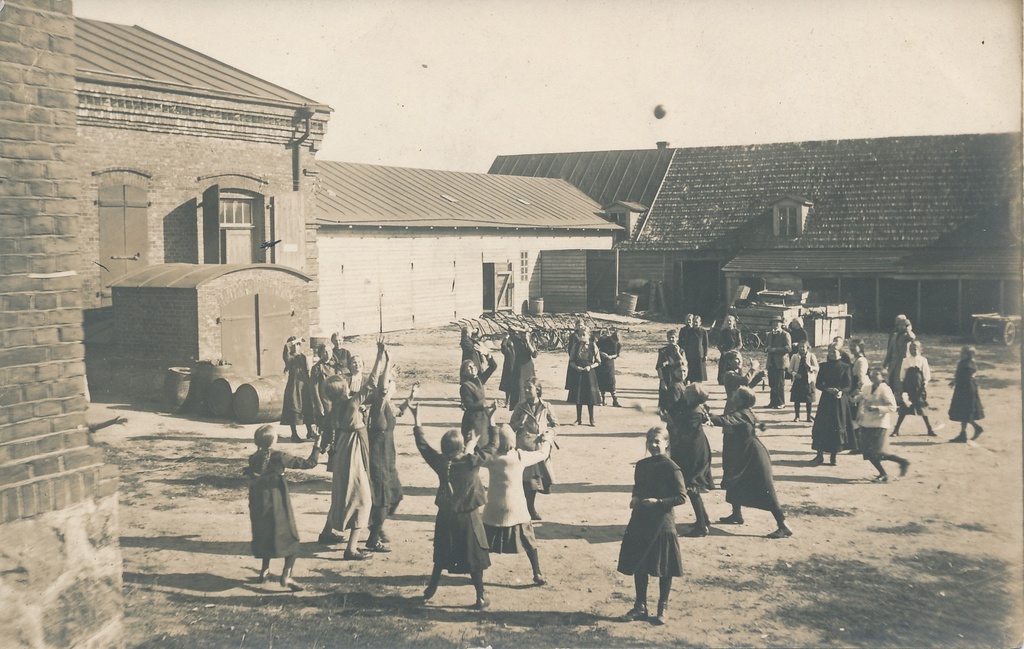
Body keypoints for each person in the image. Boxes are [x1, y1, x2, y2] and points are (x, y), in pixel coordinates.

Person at [411, 403, 493, 610]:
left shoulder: (441, 462)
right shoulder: (471, 462)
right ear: (461, 448)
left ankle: (431, 589)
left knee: (442, 553)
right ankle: (480, 596)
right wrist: (490, 423)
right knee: (474, 557)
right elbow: (492, 447)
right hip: (469, 517)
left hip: (446, 516)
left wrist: (417, 420)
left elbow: (423, 447)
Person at [318, 340, 386, 559]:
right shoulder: (351, 404)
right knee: (362, 498)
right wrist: (379, 356)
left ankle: (327, 533)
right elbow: (372, 383)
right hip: (353, 454)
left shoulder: (336, 407)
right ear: (343, 390)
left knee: (341, 494)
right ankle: (351, 548)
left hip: (341, 452)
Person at [617, 426, 686, 626]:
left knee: (665, 565)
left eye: (657, 441)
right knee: (639, 562)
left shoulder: (672, 467)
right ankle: (640, 605)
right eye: (650, 441)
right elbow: (638, 486)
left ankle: (662, 607)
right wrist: (635, 498)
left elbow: (681, 497)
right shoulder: (641, 465)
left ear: (666, 443)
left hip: (662, 522)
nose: (654, 445)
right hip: (640, 518)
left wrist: (659, 502)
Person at [708, 387, 792, 539]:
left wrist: (705, 415)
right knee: (736, 481)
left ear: (740, 400)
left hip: (753, 456)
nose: (733, 394)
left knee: (766, 489)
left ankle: (783, 525)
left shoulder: (740, 414)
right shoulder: (747, 411)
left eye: (736, 394)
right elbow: (761, 425)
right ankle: (736, 515)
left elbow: (723, 420)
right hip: (747, 452)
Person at [245, 424, 321, 591]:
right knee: (291, 539)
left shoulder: (253, 458)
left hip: (259, 504)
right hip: (278, 504)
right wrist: (317, 445)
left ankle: (264, 571)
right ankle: (286, 575)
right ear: (274, 440)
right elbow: (309, 463)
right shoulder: (279, 457)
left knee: (266, 536)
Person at [482, 423, 552, 586]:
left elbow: (478, 453)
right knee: (529, 541)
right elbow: (543, 453)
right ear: (513, 441)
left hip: (493, 509)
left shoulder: (491, 459)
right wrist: (548, 439)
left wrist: (490, 427)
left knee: (482, 542)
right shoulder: (520, 457)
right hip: (517, 509)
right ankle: (537, 572)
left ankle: (478, 575)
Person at [364, 350, 411, 552]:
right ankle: (374, 537)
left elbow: (399, 411)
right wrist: (387, 362)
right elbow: (381, 388)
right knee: (382, 500)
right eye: (392, 386)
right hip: (378, 460)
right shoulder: (378, 406)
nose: (394, 389)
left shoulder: (389, 407)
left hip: (388, 458)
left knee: (396, 495)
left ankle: (375, 523)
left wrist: (411, 398)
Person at [662, 383, 714, 537]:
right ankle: (703, 518)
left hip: (693, 452)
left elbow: (683, 435)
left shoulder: (694, 413)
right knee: (692, 486)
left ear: (691, 397)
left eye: (687, 392)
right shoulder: (688, 404)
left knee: (692, 487)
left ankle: (702, 527)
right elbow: (673, 409)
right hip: (690, 449)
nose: (683, 392)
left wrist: (670, 422)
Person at [510, 378, 559, 521]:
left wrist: (549, 433)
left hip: (540, 448)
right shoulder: (520, 407)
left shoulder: (546, 406)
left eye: (529, 388)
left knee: (537, 480)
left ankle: (530, 507)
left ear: (537, 390)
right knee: (526, 481)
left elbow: (556, 425)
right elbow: (510, 426)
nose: (525, 391)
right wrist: (520, 423)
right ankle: (528, 508)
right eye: (524, 388)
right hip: (524, 447)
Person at [852, 367, 910, 482]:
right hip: (866, 422)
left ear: (883, 377)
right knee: (866, 451)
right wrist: (854, 396)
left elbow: (892, 407)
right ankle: (887, 471)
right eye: (872, 374)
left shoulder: (885, 389)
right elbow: (860, 398)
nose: (873, 377)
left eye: (876, 375)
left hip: (879, 424)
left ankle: (899, 464)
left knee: (877, 452)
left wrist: (877, 408)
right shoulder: (867, 387)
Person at [811, 344, 853, 466]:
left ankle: (833, 457)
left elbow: (848, 385)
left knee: (836, 426)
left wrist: (841, 391)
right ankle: (819, 455)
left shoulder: (845, 367)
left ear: (840, 354)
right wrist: (827, 389)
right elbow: (818, 384)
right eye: (830, 352)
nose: (831, 354)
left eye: (834, 352)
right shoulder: (823, 366)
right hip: (826, 400)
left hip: (839, 401)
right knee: (822, 425)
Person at [892, 340, 936, 437]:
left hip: (919, 387)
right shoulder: (906, 361)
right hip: (908, 387)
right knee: (904, 408)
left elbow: (926, 374)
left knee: (922, 408)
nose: (913, 350)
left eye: (915, 348)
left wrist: (924, 386)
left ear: (919, 349)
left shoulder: (923, 360)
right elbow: (902, 375)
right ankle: (896, 430)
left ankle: (930, 429)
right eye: (911, 349)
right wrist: (903, 388)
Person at [281, 336, 316, 442]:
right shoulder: (289, 357)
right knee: (294, 408)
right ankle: (294, 434)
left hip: (304, 386)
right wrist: (293, 342)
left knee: (307, 408)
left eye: (298, 345)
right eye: (294, 345)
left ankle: (309, 431)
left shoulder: (303, 357)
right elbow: (286, 348)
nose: (296, 347)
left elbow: (307, 371)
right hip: (294, 387)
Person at [460, 349, 498, 443]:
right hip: (472, 421)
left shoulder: (480, 380)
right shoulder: (465, 386)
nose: (473, 368)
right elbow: (468, 406)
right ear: (464, 372)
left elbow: (493, 367)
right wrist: (484, 405)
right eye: (469, 367)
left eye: (473, 366)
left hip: (484, 418)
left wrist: (487, 354)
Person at [948, 346, 985, 443]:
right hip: (962, 389)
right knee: (963, 413)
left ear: (968, 355)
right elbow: (959, 375)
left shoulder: (969, 364)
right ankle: (965, 433)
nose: (961, 355)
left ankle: (966, 432)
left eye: (963, 353)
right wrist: (954, 381)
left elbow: (967, 378)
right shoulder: (962, 363)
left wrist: (959, 385)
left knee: (965, 412)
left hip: (967, 391)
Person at [567, 327, 602, 426]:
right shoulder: (576, 346)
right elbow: (571, 361)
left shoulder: (593, 346)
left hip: (589, 373)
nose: (581, 337)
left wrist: (590, 367)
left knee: (590, 397)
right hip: (578, 373)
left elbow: (598, 362)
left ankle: (592, 419)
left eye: (584, 334)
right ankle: (578, 419)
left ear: (588, 335)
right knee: (579, 397)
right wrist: (576, 367)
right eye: (579, 335)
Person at [310, 343, 340, 450]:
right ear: (320, 354)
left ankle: (334, 448)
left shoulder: (335, 365)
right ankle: (325, 447)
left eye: (330, 351)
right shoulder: (317, 368)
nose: (328, 354)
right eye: (325, 352)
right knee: (327, 425)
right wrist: (319, 405)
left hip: (336, 399)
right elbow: (314, 388)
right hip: (325, 400)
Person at [500, 327, 538, 411]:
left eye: (525, 333)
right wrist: (519, 327)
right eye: (522, 333)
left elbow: (534, 354)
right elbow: (510, 330)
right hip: (519, 367)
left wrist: (528, 343)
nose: (524, 335)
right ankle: (518, 408)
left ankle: (530, 406)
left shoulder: (530, 341)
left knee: (531, 385)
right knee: (519, 388)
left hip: (528, 367)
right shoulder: (516, 340)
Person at [884, 315, 916, 408]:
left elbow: (913, 337)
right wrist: (885, 363)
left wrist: (909, 329)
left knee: (900, 382)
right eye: (899, 325)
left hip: (903, 363)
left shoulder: (907, 336)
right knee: (891, 380)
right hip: (894, 362)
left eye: (903, 325)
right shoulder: (894, 335)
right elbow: (890, 351)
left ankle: (902, 401)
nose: (900, 327)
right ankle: (893, 400)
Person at [764, 318, 792, 409]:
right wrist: (766, 348)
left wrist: (776, 349)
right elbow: (765, 346)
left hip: (780, 362)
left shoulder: (785, 334)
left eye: (777, 322)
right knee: (772, 383)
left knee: (779, 384)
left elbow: (788, 348)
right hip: (771, 362)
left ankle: (780, 402)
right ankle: (773, 402)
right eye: (773, 323)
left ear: (781, 324)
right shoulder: (769, 335)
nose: (775, 324)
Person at [656, 330, 687, 412]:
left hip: (679, 377)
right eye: (669, 338)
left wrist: (677, 353)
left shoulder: (681, 351)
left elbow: (684, 363)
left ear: (677, 338)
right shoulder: (663, 351)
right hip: (667, 377)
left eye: (673, 337)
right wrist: (662, 381)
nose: (671, 339)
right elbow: (659, 367)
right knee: (665, 401)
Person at [788, 340, 819, 423]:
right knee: (797, 399)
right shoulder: (795, 356)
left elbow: (817, 368)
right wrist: (795, 374)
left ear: (807, 348)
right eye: (800, 347)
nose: (801, 348)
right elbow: (789, 369)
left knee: (809, 400)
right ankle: (797, 416)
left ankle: (808, 417)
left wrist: (810, 367)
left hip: (808, 380)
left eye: (803, 347)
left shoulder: (811, 356)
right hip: (798, 380)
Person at [596, 328, 622, 407]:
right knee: (601, 380)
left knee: (611, 381)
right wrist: (601, 353)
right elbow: (595, 349)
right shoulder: (603, 340)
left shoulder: (619, 344)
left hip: (610, 363)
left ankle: (615, 400)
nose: (615, 343)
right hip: (601, 362)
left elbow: (617, 354)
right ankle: (603, 399)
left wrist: (611, 356)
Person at [679, 314, 708, 384]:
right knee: (692, 372)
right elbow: (686, 343)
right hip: (691, 354)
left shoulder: (703, 331)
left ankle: (699, 385)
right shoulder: (689, 331)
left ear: (700, 323)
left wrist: (705, 355)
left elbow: (705, 344)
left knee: (699, 373)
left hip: (700, 354)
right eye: (694, 322)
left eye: (697, 322)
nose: (695, 323)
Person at [716, 315, 743, 386]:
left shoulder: (737, 332)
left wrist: (734, 351)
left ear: (734, 322)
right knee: (723, 370)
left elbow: (740, 344)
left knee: (735, 370)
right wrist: (723, 351)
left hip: (734, 353)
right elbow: (719, 344)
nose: (729, 322)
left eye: (730, 321)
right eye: (727, 321)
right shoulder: (723, 332)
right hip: (725, 353)